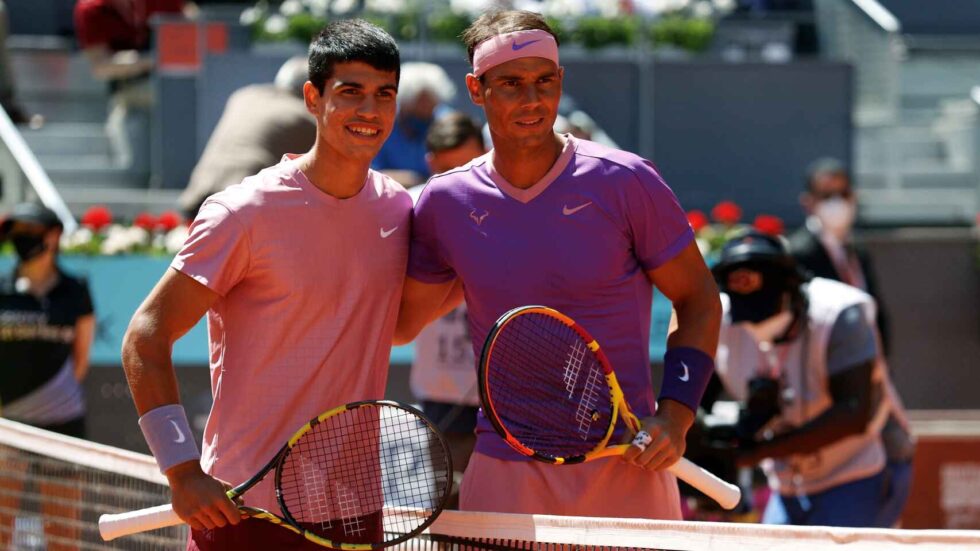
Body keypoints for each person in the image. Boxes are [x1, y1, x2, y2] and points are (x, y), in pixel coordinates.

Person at [395, 9, 721, 520]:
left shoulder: (626, 181)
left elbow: (698, 299)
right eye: (511, 84)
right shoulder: (444, 203)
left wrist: (677, 415)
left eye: (544, 81)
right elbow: (399, 326)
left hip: (627, 468)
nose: (532, 100)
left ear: (560, 82)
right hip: (506, 473)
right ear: (476, 90)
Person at [120, 19, 409, 550]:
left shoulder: (399, 208)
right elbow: (146, 335)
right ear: (312, 98)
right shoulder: (243, 212)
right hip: (242, 512)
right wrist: (181, 470)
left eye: (384, 94)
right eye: (350, 93)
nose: (369, 111)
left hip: (353, 513)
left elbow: (399, 325)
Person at [712, 230, 894, 527]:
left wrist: (757, 452)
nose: (757, 322)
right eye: (748, 313)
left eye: (766, 309)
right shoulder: (723, 317)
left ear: (792, 288)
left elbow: (852, 413)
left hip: (852, 473)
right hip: (786, 485)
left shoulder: (841, 313)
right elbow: (701, 398)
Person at [788, 157, 914, 526]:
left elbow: (878, 316)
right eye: (826, 194)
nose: (837, 203)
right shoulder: (800, 252)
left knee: (899, 455)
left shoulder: (855, 250)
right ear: (808, 201)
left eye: (842, 193)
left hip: (873, 382)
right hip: (828, 390)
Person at [0, 203, 95, 547]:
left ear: (54, 235)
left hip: (62, 426)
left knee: (63, 534)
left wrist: (49, 399)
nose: (22, 240)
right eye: (17, 234)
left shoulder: (75, 291)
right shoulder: (2, 287)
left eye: (31, 232)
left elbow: (80, 362)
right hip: (7, 428)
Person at [407, 112, 487, 508]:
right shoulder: (410, 207)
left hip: (506, 395)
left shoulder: (509, 206)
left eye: (469, 165)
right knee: (443, 511)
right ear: (431, 162)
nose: (461, 178)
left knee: (504, 517)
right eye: (449, 168)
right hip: (440, 392)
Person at [179, 56, 317, 218]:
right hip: (245, 198)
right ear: (310, 90)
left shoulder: (244, 96)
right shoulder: (305, 117)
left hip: (198, 191)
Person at [73, 0, 189, 176]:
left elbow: (195, 35)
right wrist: (150, 61)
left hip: (179, 94)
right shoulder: (92, 8)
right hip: (129, 95)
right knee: (134, 164)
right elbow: (101, 66)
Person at [372, 61, 456, 187]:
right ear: (403, 102)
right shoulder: (380, 124)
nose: (424, 113)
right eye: (417, 106)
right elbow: (369, 174)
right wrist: (413, 180)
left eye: (430, 107)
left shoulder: (449, 123)